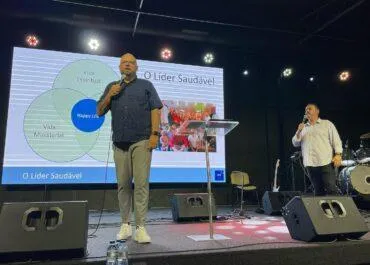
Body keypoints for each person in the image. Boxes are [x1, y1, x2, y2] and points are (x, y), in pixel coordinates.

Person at [97, 53, 162, 243]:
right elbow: (99, 111)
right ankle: (125, 225)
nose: (127, 65)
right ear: (119, 67)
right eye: (124, 63)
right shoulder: (112, 86)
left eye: (131, 63)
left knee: (141, 184)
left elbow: (156, 109)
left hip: (141, 141)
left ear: (136, 67)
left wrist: (155, 135)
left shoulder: (146, 86)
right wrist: (110, 95)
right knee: (123, 185)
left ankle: (140, 228)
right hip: (119, 143)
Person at [292, 103, 342, 196]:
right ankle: (323, 210)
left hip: (325, 162)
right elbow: (295, 143)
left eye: (309, 109)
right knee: (318, 191)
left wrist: (338, 154)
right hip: (310, 163)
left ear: (317, 111)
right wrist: (299, 131)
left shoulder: (327, 124)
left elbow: (336, 140)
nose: (307, 111)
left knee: (331, 188)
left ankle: (337, 210)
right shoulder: (303, 127)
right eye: (306, 110)